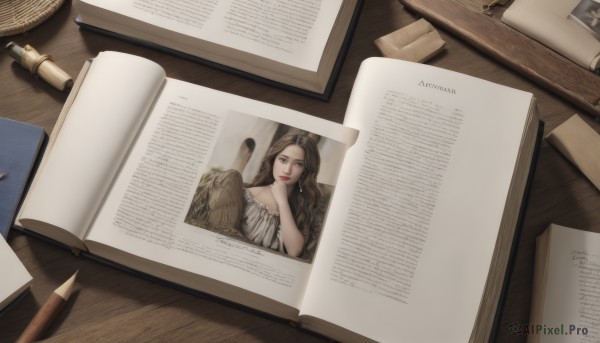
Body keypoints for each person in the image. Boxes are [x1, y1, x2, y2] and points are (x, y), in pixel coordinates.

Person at [241, 134, 321, 257]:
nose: (287, 170)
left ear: (306, 170)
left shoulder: (304, 207)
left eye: (298, 164)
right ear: (273, 160)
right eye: (283, 160)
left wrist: (282, 201)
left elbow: (294, 251)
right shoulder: (247, 195)